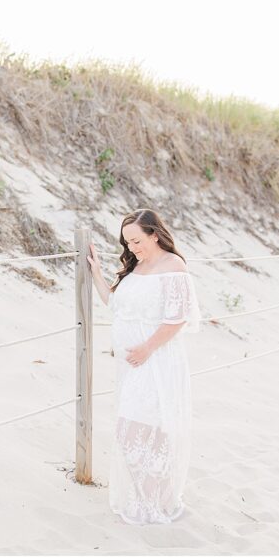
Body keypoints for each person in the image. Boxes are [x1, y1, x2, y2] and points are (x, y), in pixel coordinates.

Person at [86, 208, 201, 525]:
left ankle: (158, 499)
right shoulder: (136, 266)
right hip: (131, 364)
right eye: (127, 242)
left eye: (136, 240)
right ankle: (149, 496)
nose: (132, 247)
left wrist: (148, 348)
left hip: (156, 359)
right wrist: (96, 273)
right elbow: (115, 304)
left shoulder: (173, 266)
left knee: (144, 428)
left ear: (154, 233)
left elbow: (177, 318)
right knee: (134, 429)